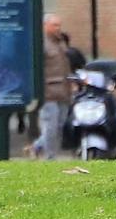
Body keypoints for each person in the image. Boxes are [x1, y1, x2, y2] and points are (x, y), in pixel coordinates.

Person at [36, 13, 86, 159]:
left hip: (64, 92)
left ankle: (38, 147)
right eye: (55, 25)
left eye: (59, 25)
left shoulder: (61, 42)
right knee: (50, 126)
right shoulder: (41, 43)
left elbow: (66, 66)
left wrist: (73, 81)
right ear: (45, 26)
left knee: (60, 125)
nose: (58, 28)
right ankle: (49, 157)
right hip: (48, 92)